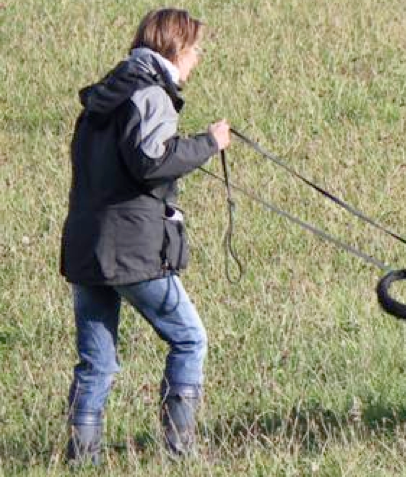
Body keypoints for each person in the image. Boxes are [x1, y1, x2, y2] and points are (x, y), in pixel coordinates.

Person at [60, 8, 231, 464]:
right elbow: (152, 163)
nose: (198, 59)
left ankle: (81, 460)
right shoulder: (151, 94)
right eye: (195, 49)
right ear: (176, 49)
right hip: (131, 248)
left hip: (86, 245)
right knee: (190, 338)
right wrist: (209, 143)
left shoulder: (107, 93)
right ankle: (179, 453)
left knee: (96, 363)